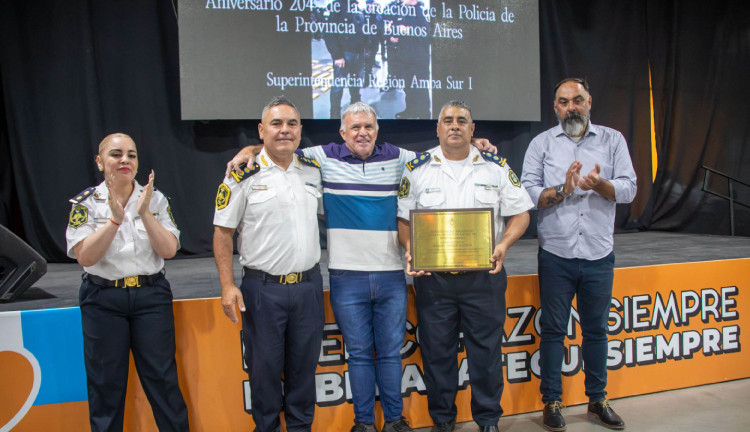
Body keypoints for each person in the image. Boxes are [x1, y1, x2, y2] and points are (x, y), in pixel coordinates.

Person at [227, 101, 497, 432]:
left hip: (390, 275)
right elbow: (281, 145)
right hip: (345, 276)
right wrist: (251, 148)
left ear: (378, 130)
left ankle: (395, 420)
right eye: (354, 128)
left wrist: (475, 145)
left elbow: (443, 153)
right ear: (342, 133)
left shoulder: (400, 159)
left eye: (368, 126)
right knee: (358, 355)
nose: (362, 133)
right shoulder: (322, 158)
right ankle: (364, 423)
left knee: (389, 354)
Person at [397, 101, 533, 432]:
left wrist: (503, 245)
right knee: (437, 355)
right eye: (448, 121)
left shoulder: (496, 166)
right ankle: (442, 420)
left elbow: (521, 214)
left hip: (483, 279)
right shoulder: (416, 169)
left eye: (462, 121)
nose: (454, 125)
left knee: (486, 355)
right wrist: (411, 248)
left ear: (473, 130)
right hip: (434, 281)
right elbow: (403, 220)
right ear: (438, 128)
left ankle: (488, 420)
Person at [521, 78, 637, 431]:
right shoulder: (540, 144)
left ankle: (597, 400)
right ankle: (551, 402)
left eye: (577, 100)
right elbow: (528, 193)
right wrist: (564, 189)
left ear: (590, 102)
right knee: (554, 330)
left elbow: (630, 188)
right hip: (556, 253)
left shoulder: (613, 139)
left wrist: (599, 185)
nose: (571, 107)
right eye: (563, 101)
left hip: (599, 253)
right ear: (554, 107)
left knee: (597, 331)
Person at [213, 96, 325, 432]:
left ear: (300, 130)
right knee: (263, 373)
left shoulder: (313, 171)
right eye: (276, 124)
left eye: (292, 124)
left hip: (308, 287)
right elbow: (222, 233)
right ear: (261, 131)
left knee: (304, 372)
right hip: (263, 291)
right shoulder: (241, 173)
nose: (284, 130)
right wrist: (227, 285)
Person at [66, 133, 189, 432]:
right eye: (116, 154)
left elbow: (169, 250)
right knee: (105, 386)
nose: (125, 161)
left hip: (151, 297)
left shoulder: (155, 198)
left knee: (163, 381)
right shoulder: (86, 203)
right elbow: (85, 255)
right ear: (99, 162)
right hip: (103, 299)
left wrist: (144, 213)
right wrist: (114, 220)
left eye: (131, 155)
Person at [386, 0, 431, 119]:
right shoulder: (401, 10)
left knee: (421, 87)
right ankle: (410, 110)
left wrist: (409, 30)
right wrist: (391, 36)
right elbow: (391, 26)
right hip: (404, 57)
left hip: (419, 58)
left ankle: (424, 115)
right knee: (408, 86)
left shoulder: (422, 11)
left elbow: (428, 34)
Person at [324, 0, 368, 118]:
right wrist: (337, 55)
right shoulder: (336, 5)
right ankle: (334, 116)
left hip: (358, 54)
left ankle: (355, 109)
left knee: (355, 83)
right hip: (344, 54)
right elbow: (329, 32)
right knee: (338, 86)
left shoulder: (357, 6)